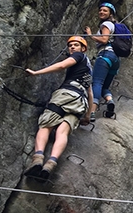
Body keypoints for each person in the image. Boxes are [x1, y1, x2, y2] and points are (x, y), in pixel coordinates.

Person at [23, 36, 93, 179]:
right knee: (63, 132)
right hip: (80, 101)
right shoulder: (88, 68)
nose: (72, 47)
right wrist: (88, 115)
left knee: (46, 125)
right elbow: (90, 93)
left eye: (76, 45)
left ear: (83, 49)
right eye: (70, 45)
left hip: (66, 94)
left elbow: (61, 66)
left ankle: (37, 160)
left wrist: (37, 73)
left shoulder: (79, 56)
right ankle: (51, 164)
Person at [84, 2, 120, 121]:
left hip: (105, 55)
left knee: (96, 83)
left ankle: (92, 112)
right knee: (104, 86)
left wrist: (90, 35)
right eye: (100, 10)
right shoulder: (115, 26)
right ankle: (109, 100)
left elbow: (104, 39)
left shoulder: (106, 24)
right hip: (115, 59)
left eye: (105, 10)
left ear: (110, 13)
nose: (101, 12)